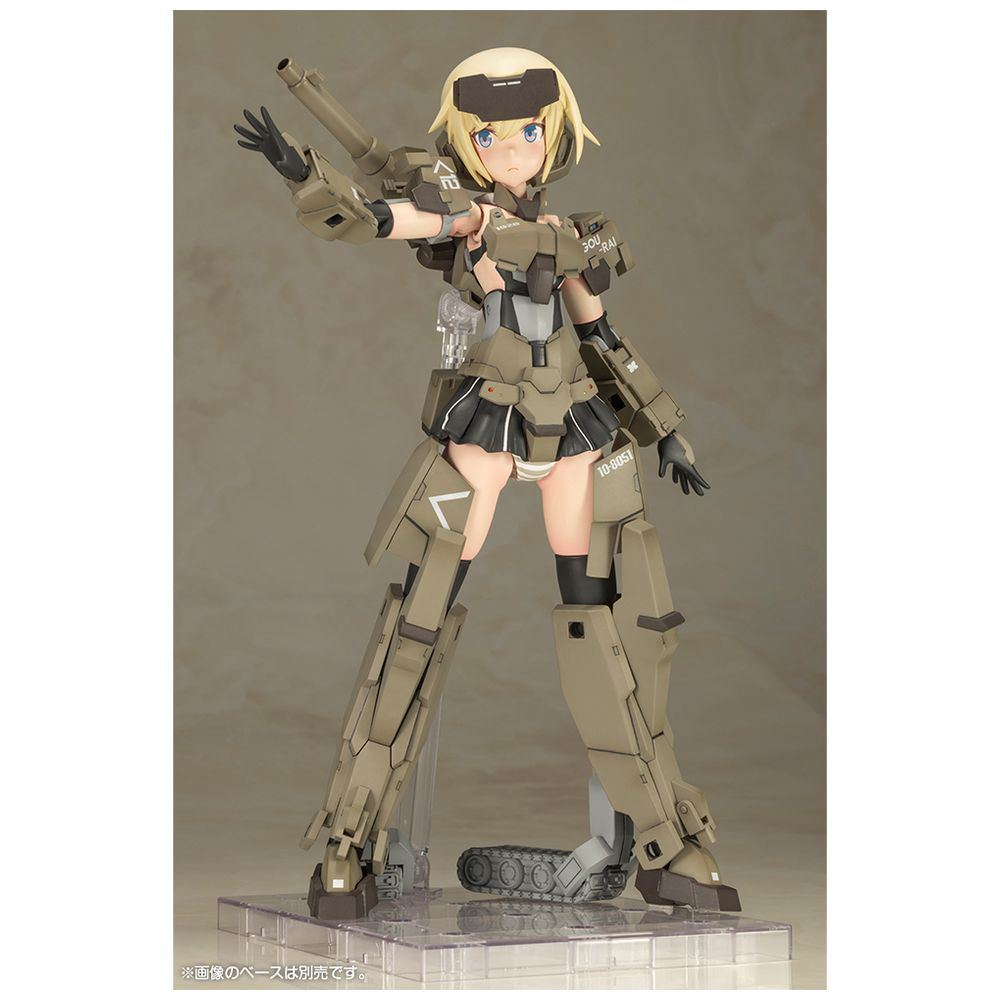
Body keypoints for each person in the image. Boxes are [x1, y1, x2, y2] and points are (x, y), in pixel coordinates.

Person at [236, 46, 739, 920]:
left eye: (529, 131)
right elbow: (381, 218)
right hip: (491, 422)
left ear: (556, 135)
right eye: (491, 134)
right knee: (419, 619)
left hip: (576, 425)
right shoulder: (465, 216)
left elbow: (602, 334)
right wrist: (305, 173)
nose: (512, 148)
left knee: (615, 628)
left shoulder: (575, 234)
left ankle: (666, 841)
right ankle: (351, 839)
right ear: (466, 142)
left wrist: (664, 427)